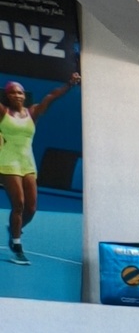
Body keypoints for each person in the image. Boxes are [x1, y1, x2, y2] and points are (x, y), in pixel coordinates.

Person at [0, 72, 79, 264]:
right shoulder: (3, 112)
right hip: (8, 162)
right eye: (13, 93)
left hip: (28, 163)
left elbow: (51, 96)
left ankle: (15, 229)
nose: (17, 95)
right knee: (18, 204)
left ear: (24, 95)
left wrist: (69, 84)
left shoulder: (33, 112)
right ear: (7, 96)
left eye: (20, 92)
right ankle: (17, 246)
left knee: (31, 208)